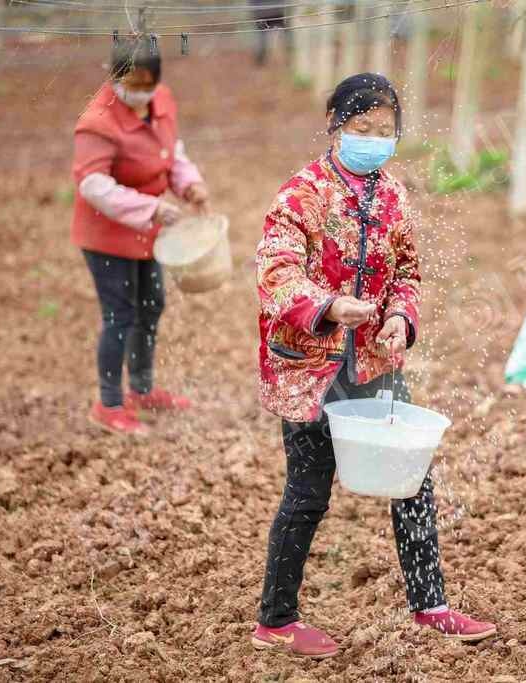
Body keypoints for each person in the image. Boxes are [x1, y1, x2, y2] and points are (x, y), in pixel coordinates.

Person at [252, 73, 496, 659]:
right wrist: (331, 306)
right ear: (335, 127)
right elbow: (276, 274)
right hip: (310, 365)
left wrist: (399, 319)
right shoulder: (302, 195)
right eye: (362, 128)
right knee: (308, 491)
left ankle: (431, 606)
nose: (374, 139)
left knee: (412, 479)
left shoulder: (393, 196)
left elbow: (407, 271)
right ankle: (276, 620)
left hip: (373, 362)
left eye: (385, 130)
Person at [71, 36, 210, 435]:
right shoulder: (96, 121)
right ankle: (109, 403)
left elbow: (171, 153)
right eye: (128, 83)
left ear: (157, 79)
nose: (137, 91)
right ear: (113, 77)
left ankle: (142, 390)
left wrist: (189, 184)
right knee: (120, 315)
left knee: (151, 306)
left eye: (145, 83)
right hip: (107, 233)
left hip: (147, 231)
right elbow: (93, 185)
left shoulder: (161, 102)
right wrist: (151, 208)